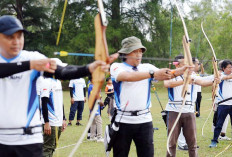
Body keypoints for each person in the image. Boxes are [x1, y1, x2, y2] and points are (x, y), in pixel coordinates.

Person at [0, 15, 116, 157]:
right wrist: (29, 65)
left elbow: (62, 71)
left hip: (29, 139)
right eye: (10, 37)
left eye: (20, 36)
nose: (16, 41)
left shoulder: (34, 57)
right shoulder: (32, 62)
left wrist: (88, 68)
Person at [110, 36, 189, 157]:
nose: (139, 54)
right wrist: (152, 74)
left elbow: (167, 75)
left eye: (140, 51)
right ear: (125, 53)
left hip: (144, 120)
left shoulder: (147, 67)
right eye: (135, 51)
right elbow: (126, 77)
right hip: (122, 120)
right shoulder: (117, 67)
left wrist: (183, 70)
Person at [164, 54, 219, 157]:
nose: (188, 66)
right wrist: (184, 81)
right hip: (174, 111)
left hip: (189, 111)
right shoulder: (170, 74)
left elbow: (202, 82)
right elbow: (167, 84)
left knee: (192, 143)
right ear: (177, 65)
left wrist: (214, 82)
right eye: (185, 64)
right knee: (171, 143)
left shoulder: (192, 76)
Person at [39, 75, 67, 157]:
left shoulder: (58, 82)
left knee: (53, 146)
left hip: (58, 121)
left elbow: (60, 102)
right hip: (50, 122)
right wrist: (46, 122)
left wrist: (64, 118)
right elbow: (44, 103)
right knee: (47, 148)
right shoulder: (46, 82)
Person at [209, 60, 232, 148]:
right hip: (223, 104)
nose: (231, 69)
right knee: (219, 123)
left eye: (231, 67)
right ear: (223, 68)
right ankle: (214, 140)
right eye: (229, 67)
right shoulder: (220, 75)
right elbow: (221, 78)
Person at [88, 76, 104, 142]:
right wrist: (100, 102)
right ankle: (99, 137)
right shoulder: (92, 87)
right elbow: (94, 97)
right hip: (95, 107)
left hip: (94, 107)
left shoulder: (94, 86)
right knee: (99, 121)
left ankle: (92, 136)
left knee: (93, 122)